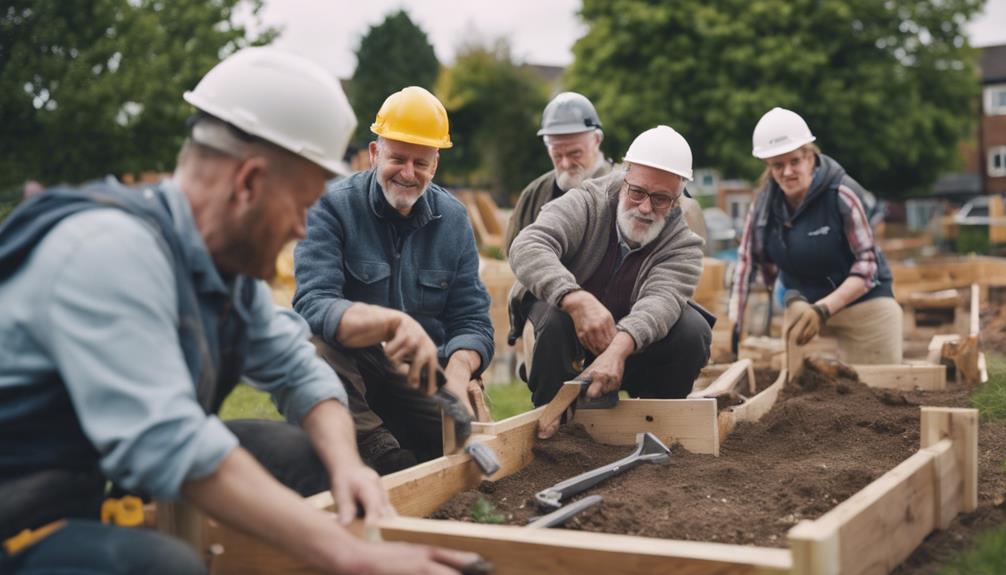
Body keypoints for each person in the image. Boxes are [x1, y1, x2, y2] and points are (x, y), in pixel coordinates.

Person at [0, 47, 483, 575]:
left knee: (312, 460)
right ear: (249, 182)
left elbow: (299, 370)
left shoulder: (222, 269)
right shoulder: (106, 253)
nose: (303, 227)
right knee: (162, 565)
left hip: (97, 476)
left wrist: (349, 467)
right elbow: (171, 442)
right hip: (22, 512)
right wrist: (353, 554)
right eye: (300, 205)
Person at [293, 86, 494, 474]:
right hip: (353, 365)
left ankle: (415, 452)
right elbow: (313, 303)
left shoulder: (452, 220)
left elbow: (472, 319)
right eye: (397, 158)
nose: (407, 173)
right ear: (373, 153)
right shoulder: (332, 207)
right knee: (312, 346)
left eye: (421, 163)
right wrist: (387, 324)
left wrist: (457, 373)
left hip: (422, 371)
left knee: (460, 449)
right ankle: (381, 452)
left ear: (435, 166)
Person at [508, 125, 713, 437]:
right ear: (624, 177)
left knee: (692, 330)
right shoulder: (588, 202)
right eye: (638, 192)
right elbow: (527, 245)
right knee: (554, 318)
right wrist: (576, 299)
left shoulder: (683, 244)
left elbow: (662, 301)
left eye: (660, 199)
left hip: (633, 354)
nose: (645, 208)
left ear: (676, 199)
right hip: (570, 342)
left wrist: (618, 350)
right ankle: (555, 432)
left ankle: (660, 428)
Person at [728, 107, 901, 364]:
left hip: (864, 305)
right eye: (778, 165)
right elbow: (746, 263)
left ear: (810, 157)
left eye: (794, 161)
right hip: (804, 309)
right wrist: (736, 322)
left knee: (875, 392)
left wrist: (824, 309)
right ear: (768, 167)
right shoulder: (762, 207)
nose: (787, 172)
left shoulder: (842, 193)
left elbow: (867, 265)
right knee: (798, 393)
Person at [504, 92, 613, 254]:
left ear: (597, 140)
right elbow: (513, 253)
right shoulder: (534, 194)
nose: (565, 163)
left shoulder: (623, 191)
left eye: (575, 153)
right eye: (557, 155)